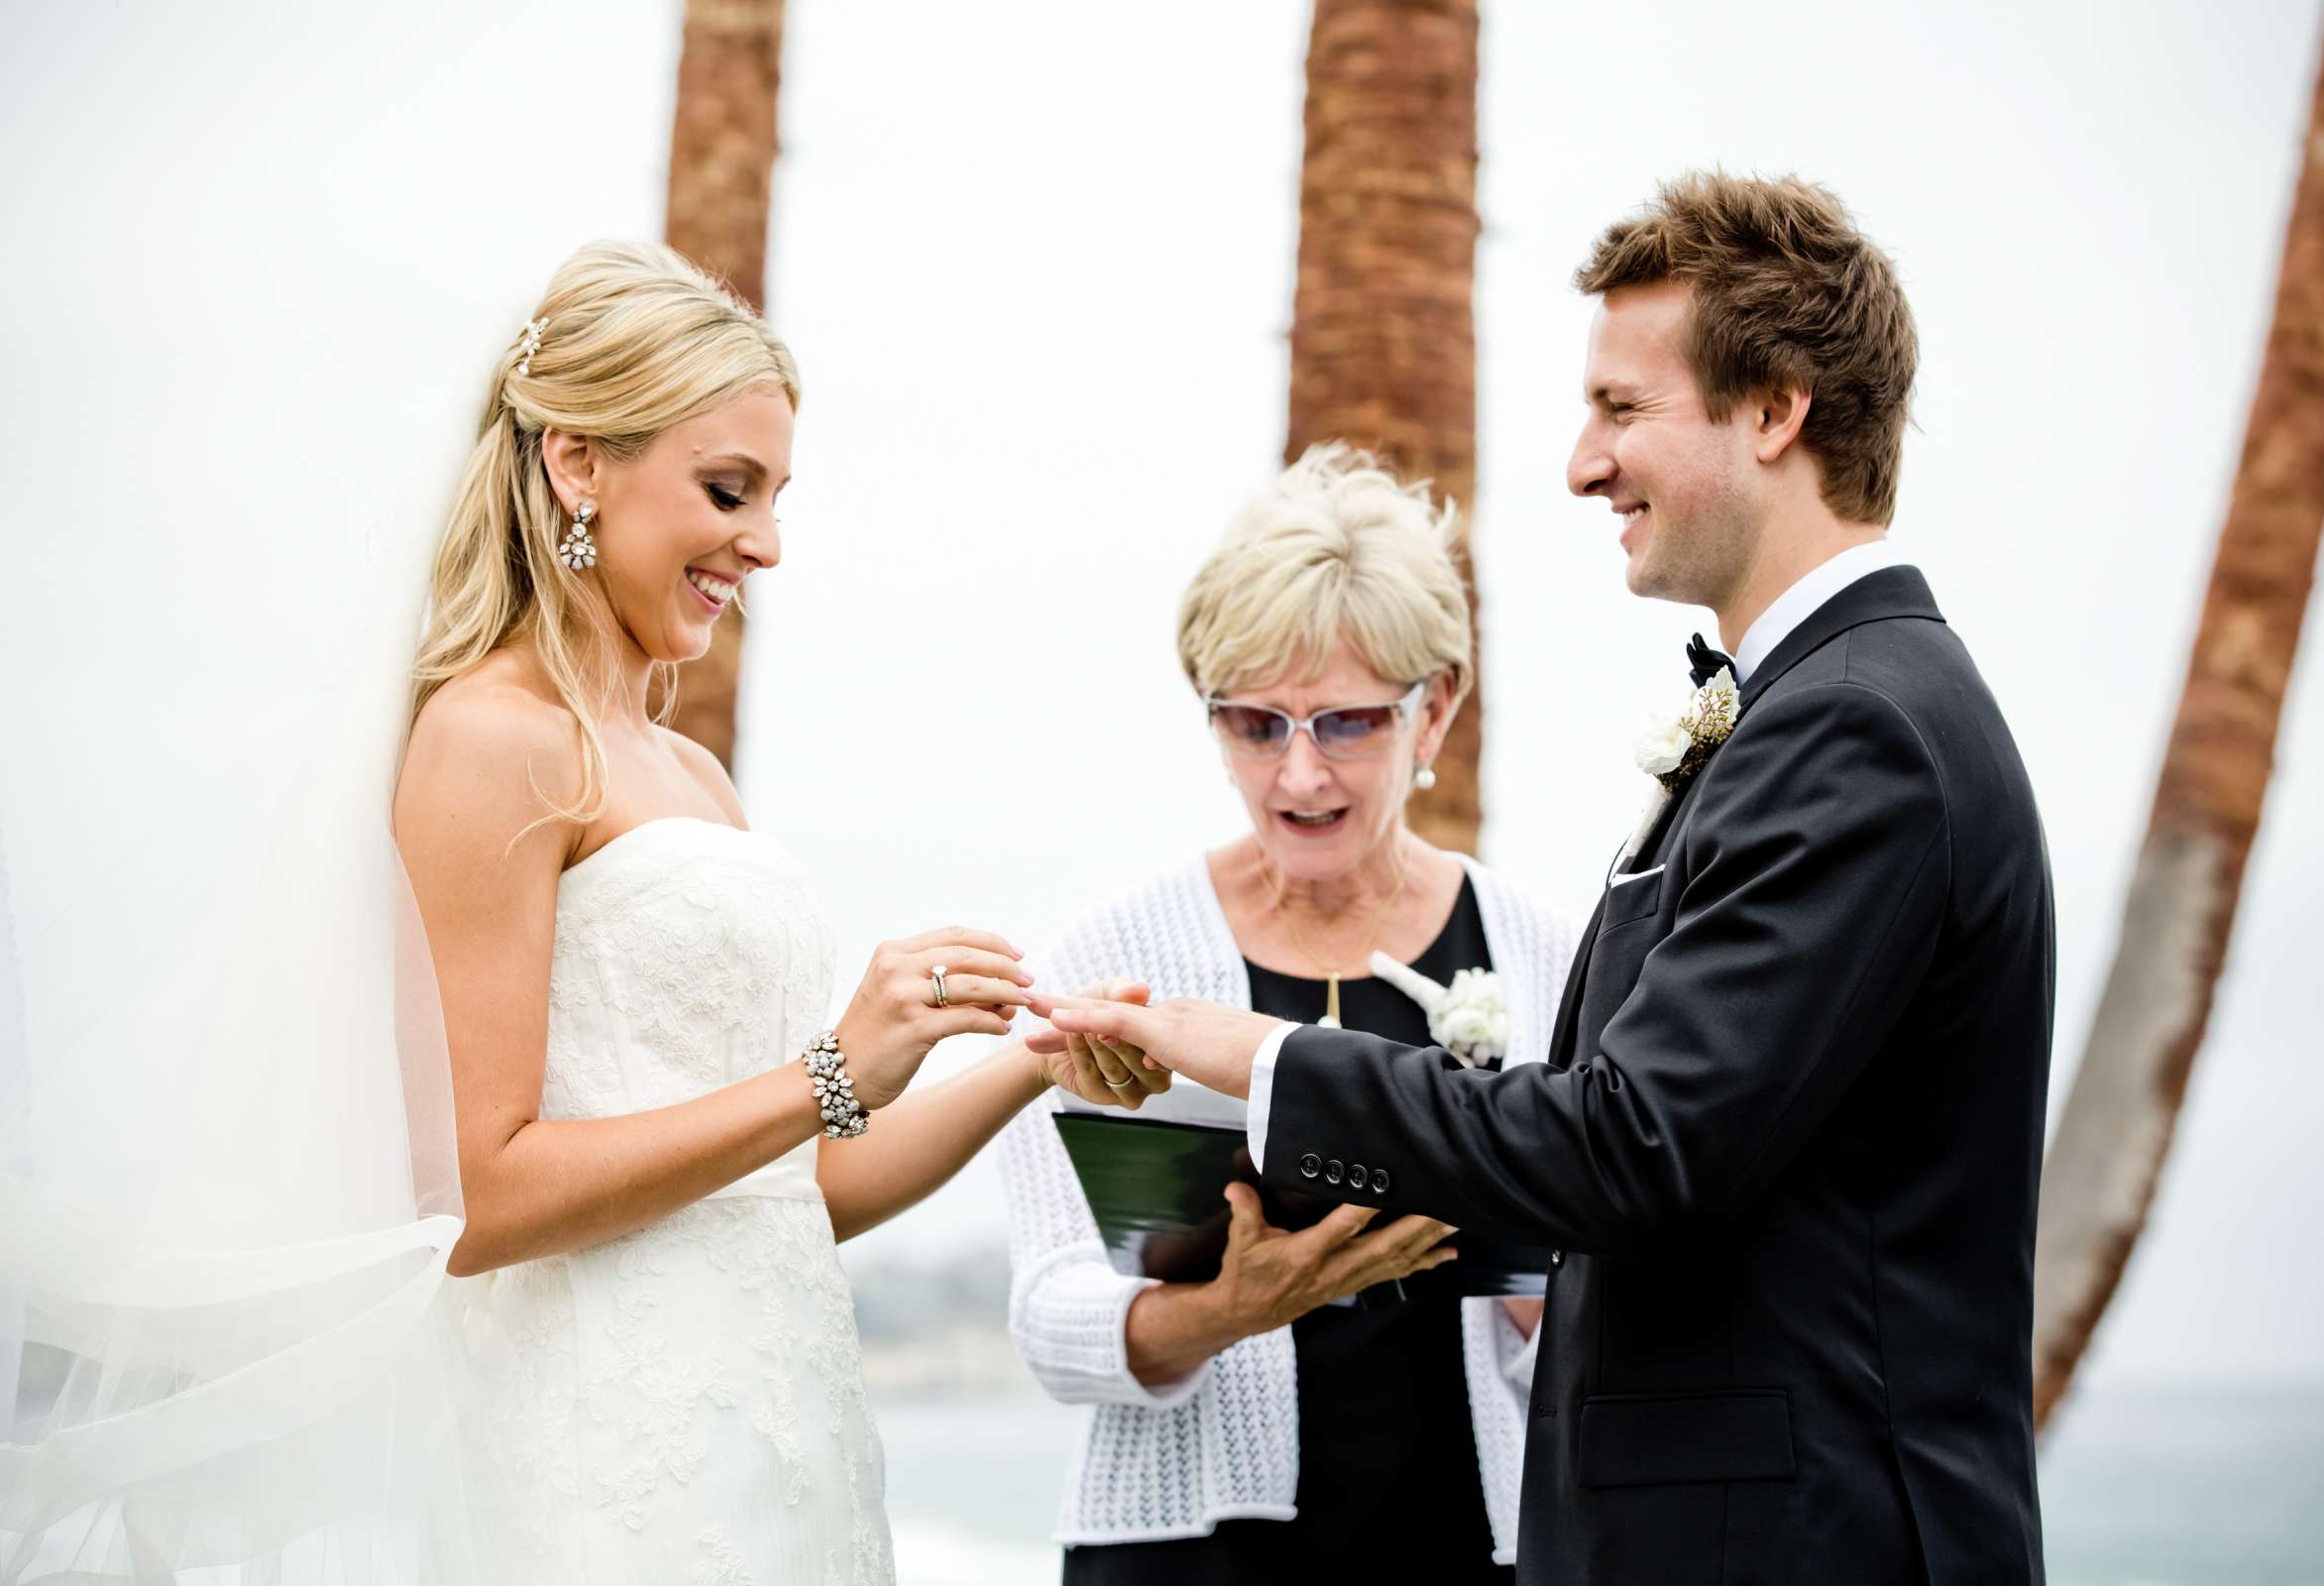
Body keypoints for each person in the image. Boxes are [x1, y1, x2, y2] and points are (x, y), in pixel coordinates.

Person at [1039, 173, 2055, 1584]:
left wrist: (1253, 1053)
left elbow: (1637, 1148)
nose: (1585, 464)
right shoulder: (1817, 711)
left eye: (1624, 410)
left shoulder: (1856, 728)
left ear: (1775, 412)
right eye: (1253, 722)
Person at [389, 240, 1157, 1582]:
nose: (766, 544)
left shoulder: (690, 771)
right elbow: (475, 1197)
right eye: (728, 490)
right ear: (579, 463)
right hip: (601, 1448)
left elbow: (803, 1184)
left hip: (778, 1424)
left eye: (777, 498)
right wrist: (827, 1074)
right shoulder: (488, 740)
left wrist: (1031, 1065)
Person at [999, 444, 1584, 1582]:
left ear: (1436, 709)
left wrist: (1545, 1302)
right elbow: (1049, 1314)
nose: (1299, 776)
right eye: (1255, 725)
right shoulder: (1111, 956)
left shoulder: (1547, 958)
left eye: (1347, 724)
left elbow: (1615, 1307)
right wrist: (1226, 1307)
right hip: (1187, 1553)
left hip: (1476, 1546)